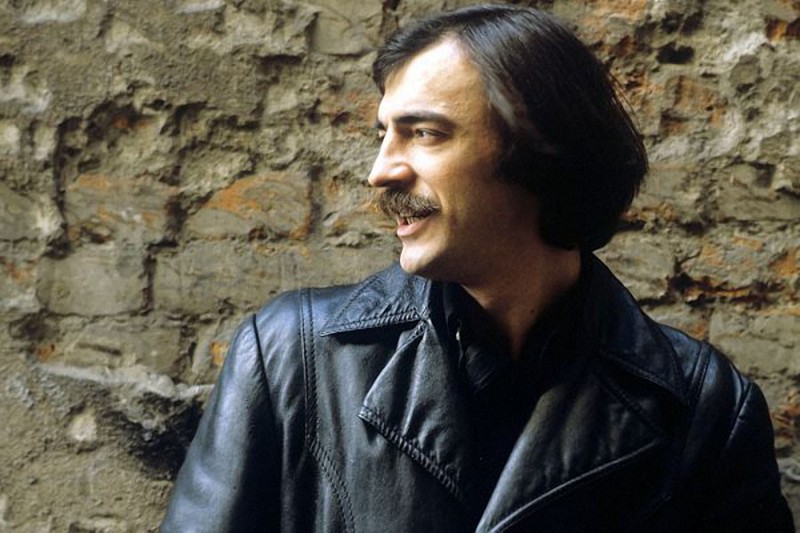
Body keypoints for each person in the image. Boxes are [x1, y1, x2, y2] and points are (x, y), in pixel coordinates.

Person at [161, 5, 794, 532]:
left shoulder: (705, 407)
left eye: (424, 133)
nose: (381, 171)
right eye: (384, 134)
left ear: (540, 153)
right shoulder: (289, 355)